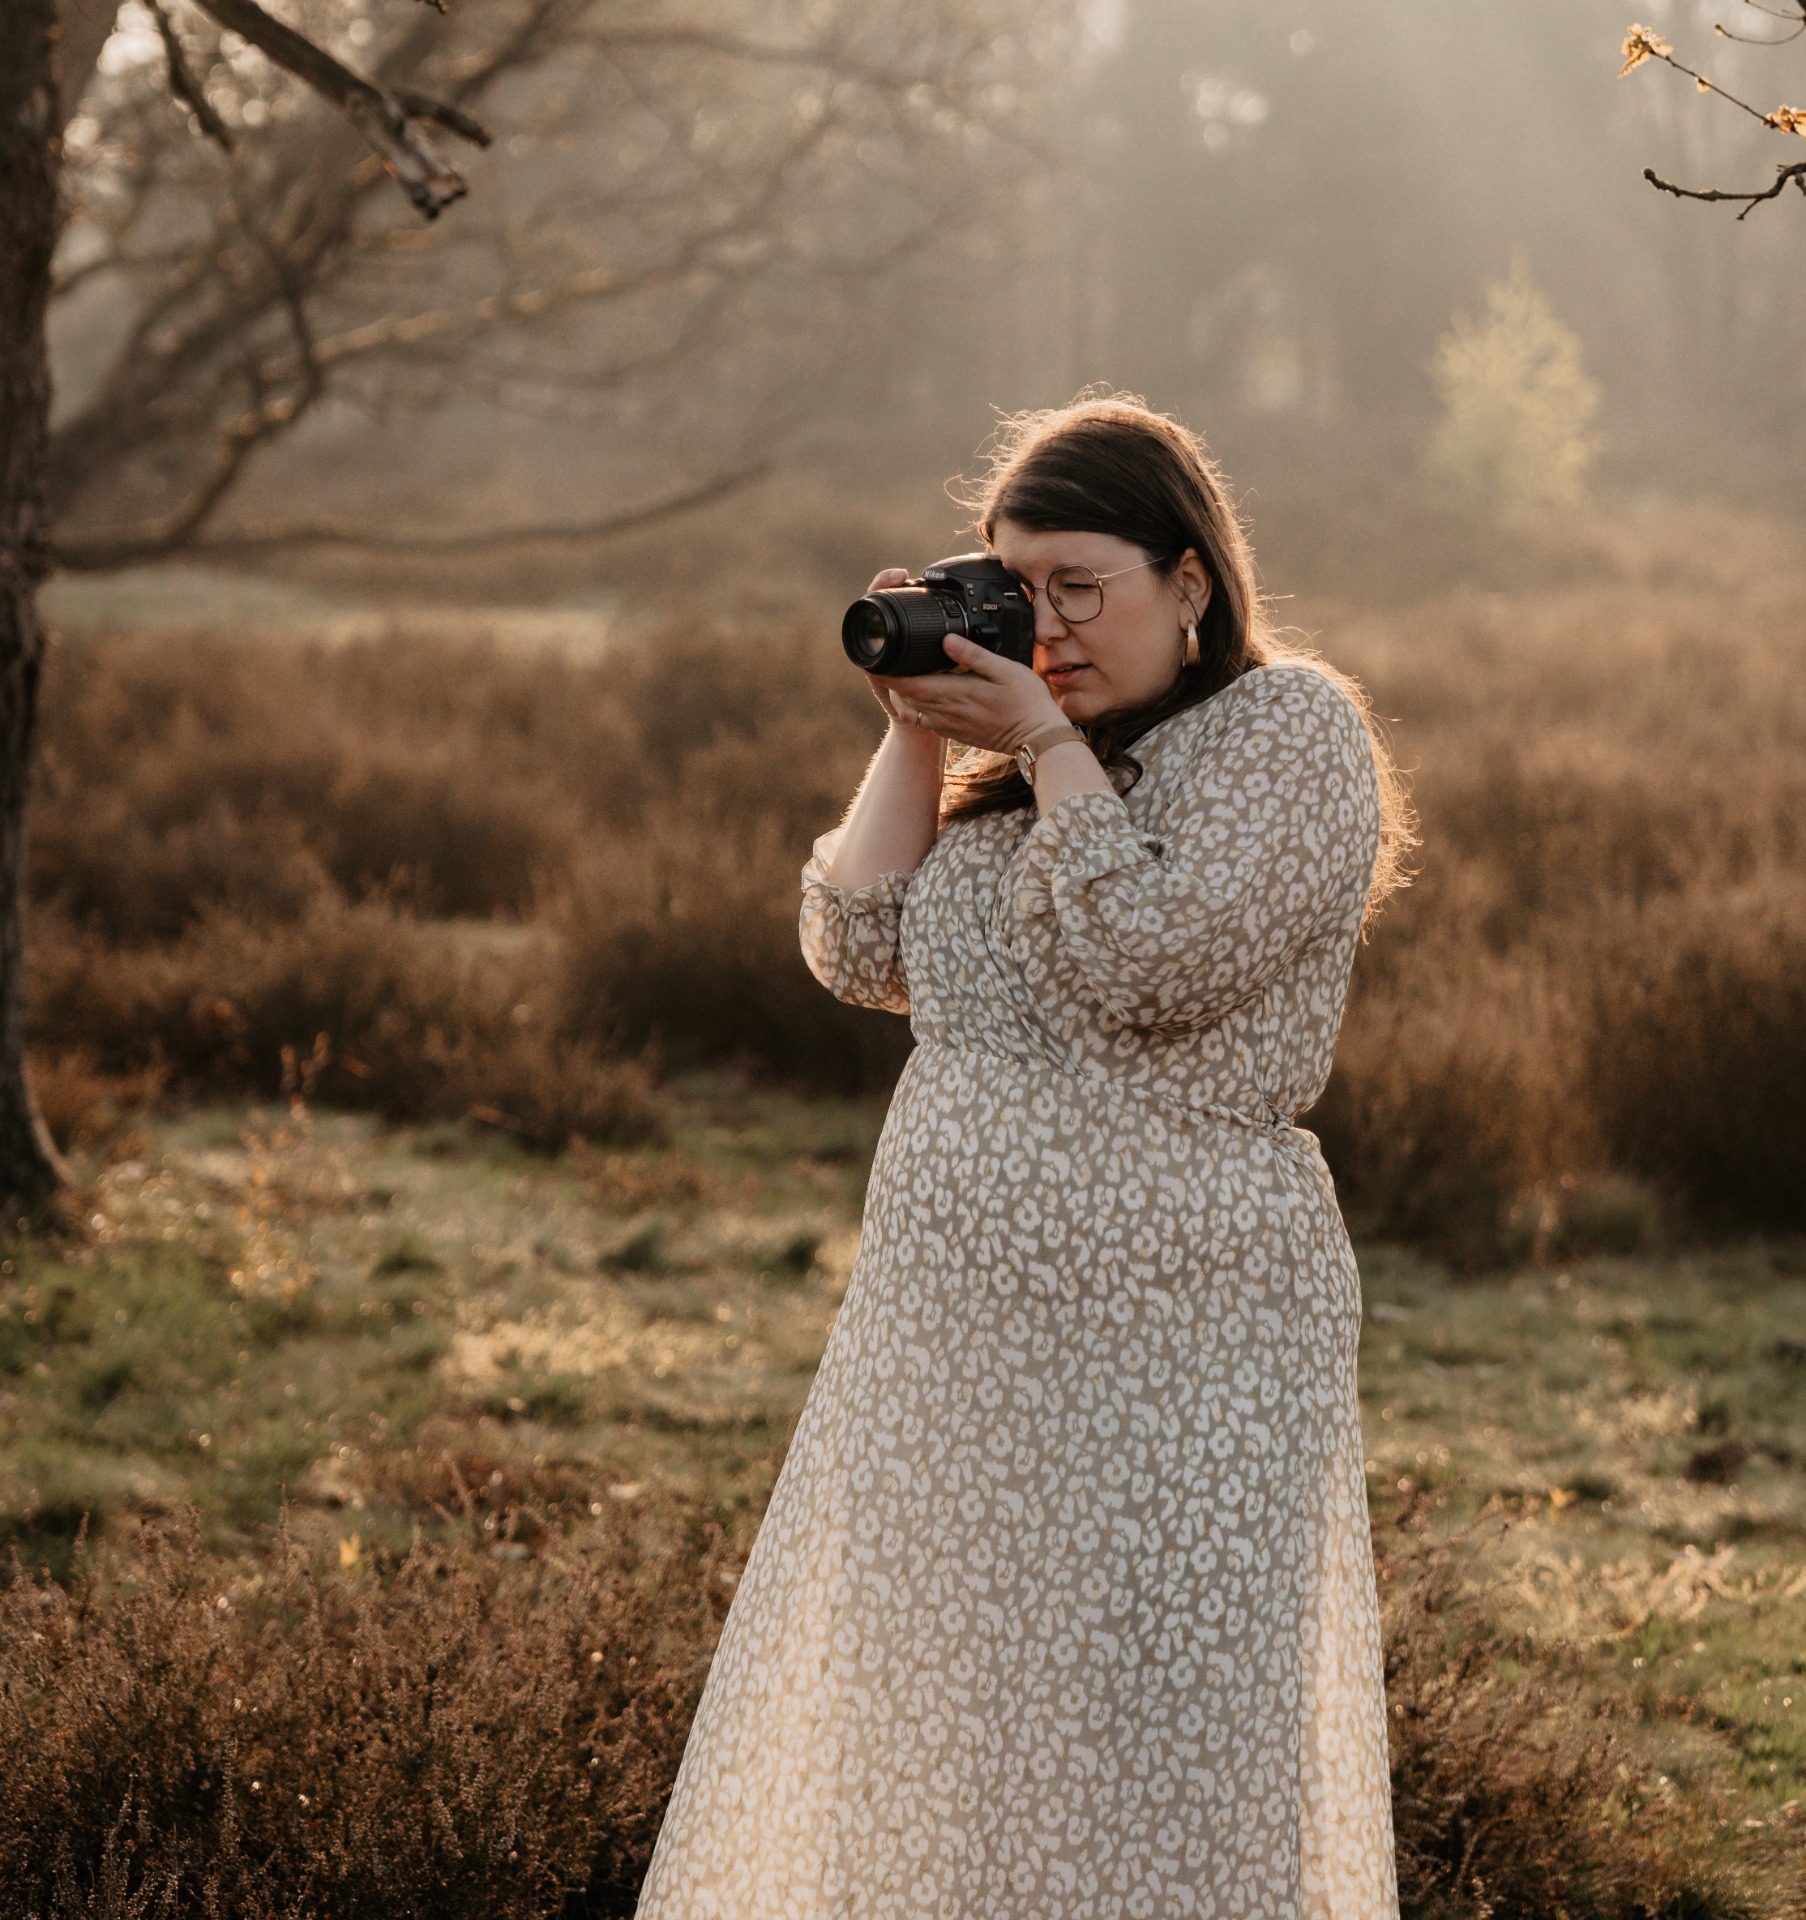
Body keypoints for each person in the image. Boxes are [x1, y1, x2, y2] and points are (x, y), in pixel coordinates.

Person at [634, 395, 1413, 1918]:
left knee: (1158, 1741)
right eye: (1014, 589)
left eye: (1079, 589)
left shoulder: (1287, 733)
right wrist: (915, 722)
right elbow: (853, 947)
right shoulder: (1017, 770)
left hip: (1185, 1344)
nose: (1044, 627)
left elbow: (1151, 960)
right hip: (949, 1358)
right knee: (934, 1732)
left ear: (1189, 584)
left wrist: (1047, 743)